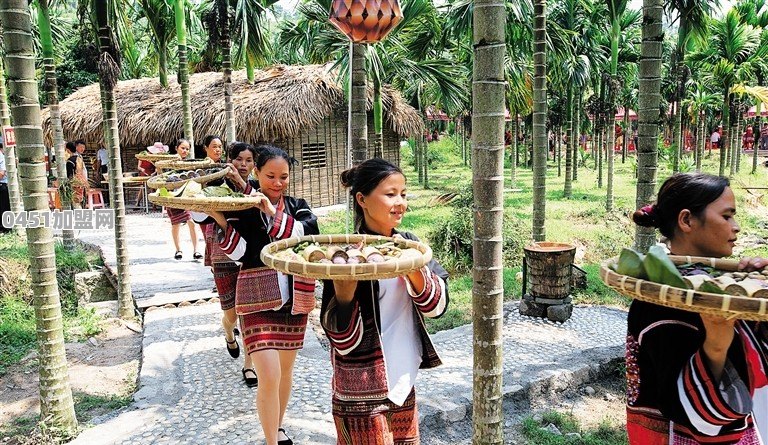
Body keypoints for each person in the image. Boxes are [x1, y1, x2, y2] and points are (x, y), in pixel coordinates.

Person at [628, 173, 767, 444]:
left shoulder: (712, 282)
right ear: (687, 220)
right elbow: (689, 412)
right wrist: (715, 343)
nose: (736, 227)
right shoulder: (660, 300)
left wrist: (755, 293)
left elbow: (751, 352)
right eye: (727, 216)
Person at [321, 158, 449, 444]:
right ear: (362, 199)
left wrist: (412, 267)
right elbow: (341, 340)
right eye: (390, 194)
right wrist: (344, 293)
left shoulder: (411, 245)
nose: (400, 202)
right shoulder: (347, 256)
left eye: (403, 194)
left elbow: (437, 307)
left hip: (403, 378)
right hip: (361, 386)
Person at [206, 144, 318, 445]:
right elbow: (241, 252)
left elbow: (306, 237)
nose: (277, 183)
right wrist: (220, 221)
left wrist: (272, 213)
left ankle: (278, 426)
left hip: (295, 301)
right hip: (255, 296)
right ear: (257, 172)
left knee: (284, 372)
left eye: (284, 177)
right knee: (268, 375)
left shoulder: (299, 206)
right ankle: (271, 441)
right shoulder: (243, 209)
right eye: (270, 176)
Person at [166, 139, 202, 261]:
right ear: (176, 148)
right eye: (182, 148)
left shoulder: (189, 164)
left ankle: (196, 250)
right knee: (175, 224)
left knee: (191, 222)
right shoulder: (169, 162)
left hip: (186, 196)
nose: (185, 151)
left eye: (187, 149)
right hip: (173, 197)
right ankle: (178, 250)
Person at [66, 141, 89, 209]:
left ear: (67, 150)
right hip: (81, 182)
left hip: (75, 184)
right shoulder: (79, 158)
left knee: (76, 202)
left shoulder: (70, 161)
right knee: (80, 200)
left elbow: (69, 175)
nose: (83, 149)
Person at [0, 144, 10, 234]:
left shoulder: (1, 157)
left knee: (4, 208)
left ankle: (5, 228)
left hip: (2, 185)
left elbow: (1, 173)